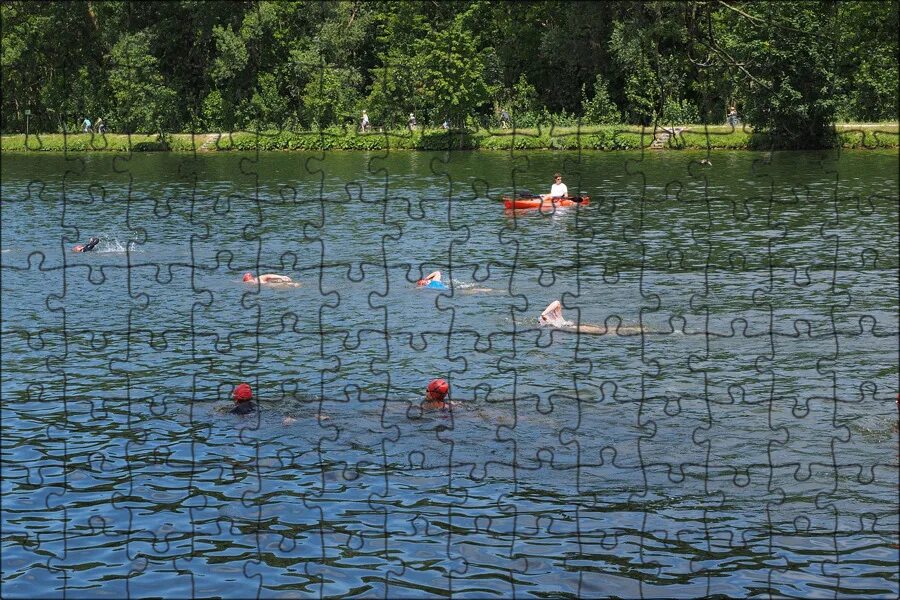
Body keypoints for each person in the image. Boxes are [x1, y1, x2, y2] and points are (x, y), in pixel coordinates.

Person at [540, 300, 646, 335]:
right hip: (575, 327)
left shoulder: (553, 319)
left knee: (604, 331)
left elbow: (557, 302)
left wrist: (544, 314)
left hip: (576, 327)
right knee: (605, 330)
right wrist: (544, 315)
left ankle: (636, 330)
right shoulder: (553, 320)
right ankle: (636, 330)